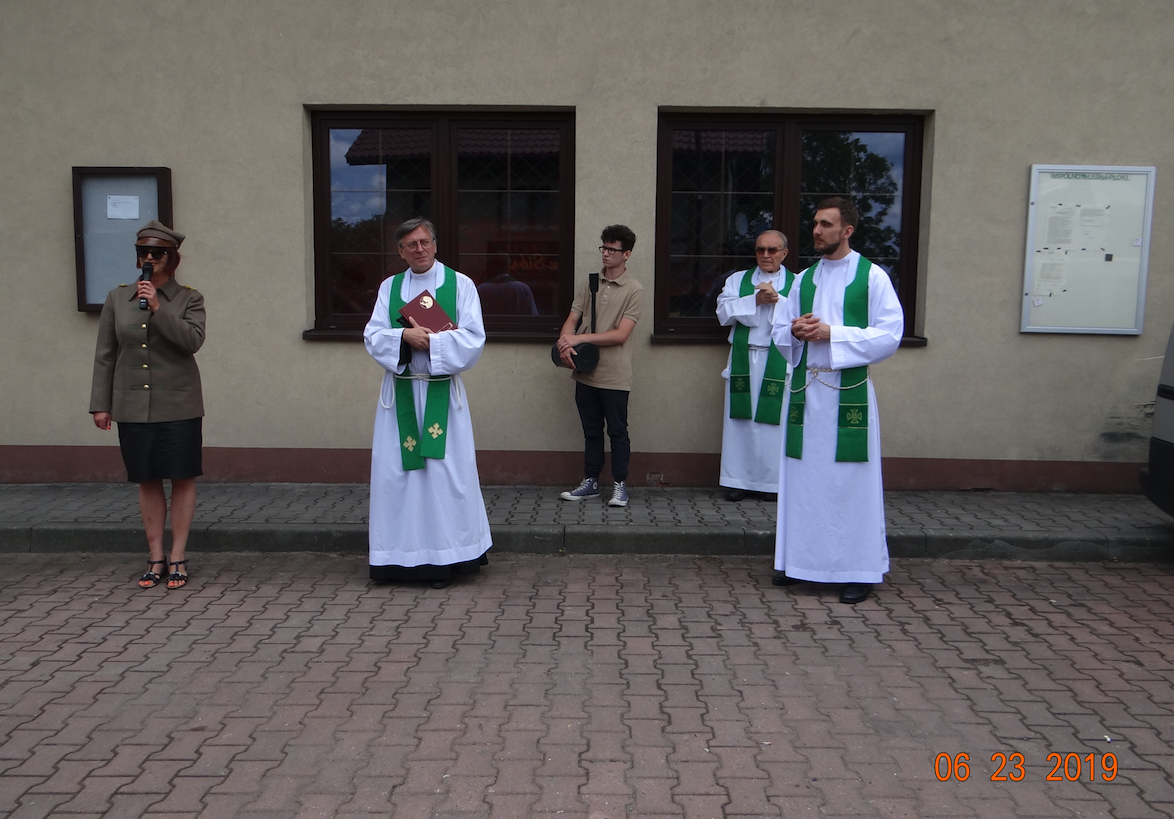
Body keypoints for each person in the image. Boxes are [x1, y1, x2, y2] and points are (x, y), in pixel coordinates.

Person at [770, 198, 903, 604]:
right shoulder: (803, 279)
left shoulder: (872, 277)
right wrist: (795, 331)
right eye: (814, 224)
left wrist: (832, 334)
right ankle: (799, 562)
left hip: (849, 395)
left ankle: (856, 569)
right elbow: (778, 332)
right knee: (805, 480)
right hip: (806, 394)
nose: (816, 231)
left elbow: (890, 334)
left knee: (849, 482)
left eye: (826, 224)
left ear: (847, 230)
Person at [364, 217, 491, 588]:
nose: (418, 249)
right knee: (398, 476)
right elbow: (372, 335)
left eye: (424, 242)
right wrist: (404, 335)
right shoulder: (391, 287)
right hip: (401, 393)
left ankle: (446, 559)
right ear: (400, 251)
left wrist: (431, 342)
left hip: (441, 397)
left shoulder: (460, 285)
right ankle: (397, 559)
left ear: (435, 244)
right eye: (410, 245)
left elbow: (473, 339)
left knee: (445, 476)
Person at [89, 220, 205, 591]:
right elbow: (106, 355)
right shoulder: (116, 298)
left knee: (182, 477)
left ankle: (179, 557)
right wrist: (100, 404)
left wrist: (158, 307)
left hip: (179, 403)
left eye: (158, 253)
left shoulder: (189, 298)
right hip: (133, 405)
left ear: (174, 259)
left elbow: (192, 341)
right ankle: (155, 556)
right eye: (143, 253)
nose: (149, 259)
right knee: (147, 479)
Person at [556, 225, 644, 507]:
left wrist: (577, 337)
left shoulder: (634, 289)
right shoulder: (590, 281)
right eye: (603, 248)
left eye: (612, 249)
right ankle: (590, 481)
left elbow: (621, 334)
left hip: (615, 375)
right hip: (585, 370)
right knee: (591, 431)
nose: (606, 254)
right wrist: (564, 342)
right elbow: (573, 316)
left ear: (626, 254)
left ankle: (620, 485)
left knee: (617, 431)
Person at [717, 230, 791, 502]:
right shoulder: (738, 280)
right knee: (741, 423)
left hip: (779, 360)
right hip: (743, 359)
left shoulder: (797, 282)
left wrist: (778, 301)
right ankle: (739, 480)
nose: (766, 255)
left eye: (772, 250)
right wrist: (755, 300)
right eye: (761, 250)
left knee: (774, 424)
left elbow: (803, 316)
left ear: (784, 253)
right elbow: (723, 313)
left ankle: (772, 483)